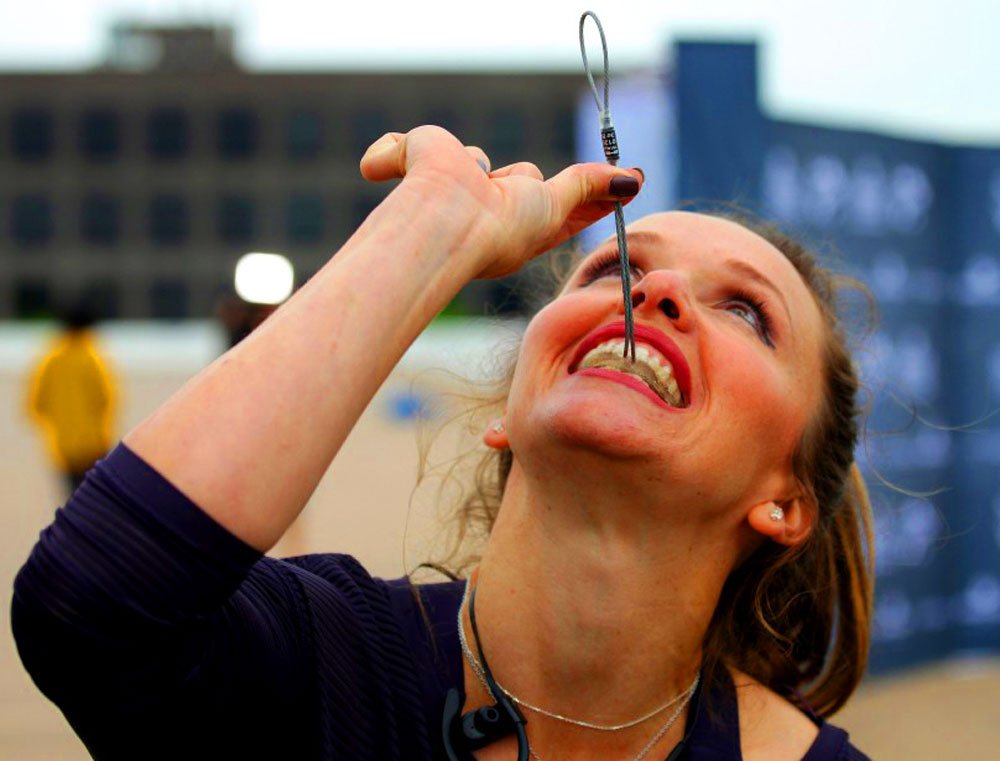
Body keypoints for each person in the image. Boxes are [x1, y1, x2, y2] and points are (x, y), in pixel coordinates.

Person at [12, 126, 872, 760]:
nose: (661, 292)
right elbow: (89, 611)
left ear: (786, 497)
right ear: (507, 412)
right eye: (618, 268)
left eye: (746, 310)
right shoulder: (317, 663)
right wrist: (434, 224)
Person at [25, 303, 117, 495]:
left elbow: (36, 402)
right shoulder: (91, 357)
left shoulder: (51, 359)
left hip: (62, 444)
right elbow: (105, 398)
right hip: (94, 442)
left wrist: (54, 426)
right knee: (95, 497)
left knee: (72, 497)